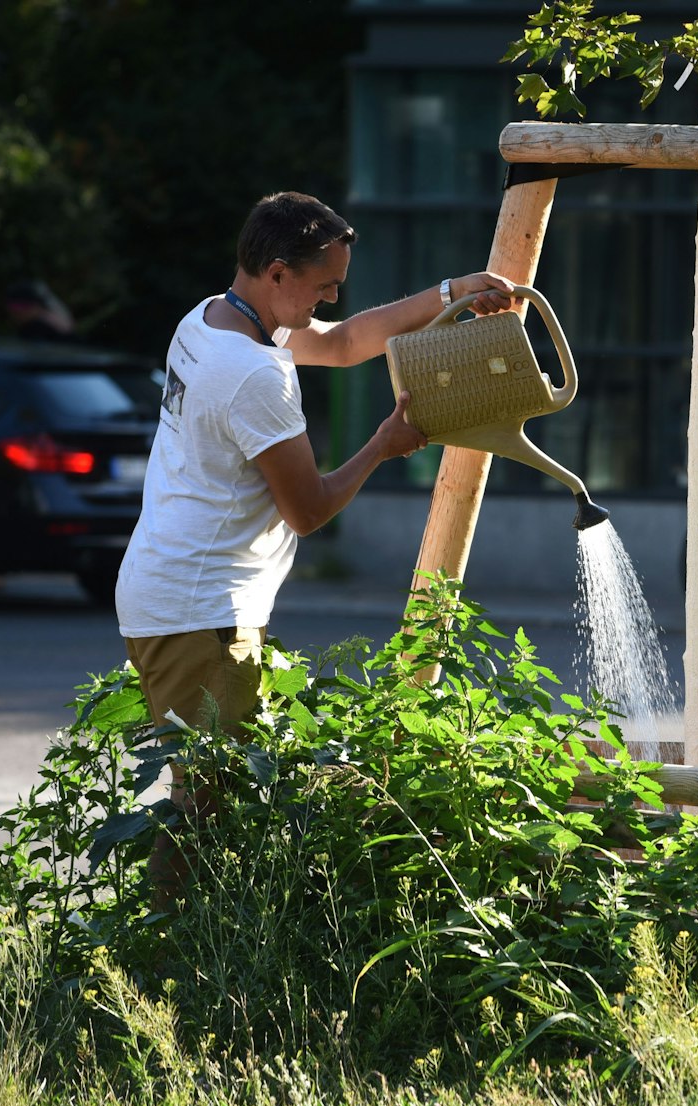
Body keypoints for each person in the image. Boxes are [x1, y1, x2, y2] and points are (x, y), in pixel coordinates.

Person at [116, 190, 518, 907]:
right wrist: (383, 445)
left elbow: (341, 343)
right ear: (277, 272)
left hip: (166, 592)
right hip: (200, 611)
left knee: (206, 793)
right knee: (211, 804)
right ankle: (172, 953)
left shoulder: (208, 321)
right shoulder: (254, 375)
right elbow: (307, 511)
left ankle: (180, 944)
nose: (332, 297)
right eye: (324, 284)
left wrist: (452, 293)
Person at [4, 279, 78, 342]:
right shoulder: (32, 326)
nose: (18, 312)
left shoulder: (37, 328)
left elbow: (67, 327)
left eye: (24, 306)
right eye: (14, 307)